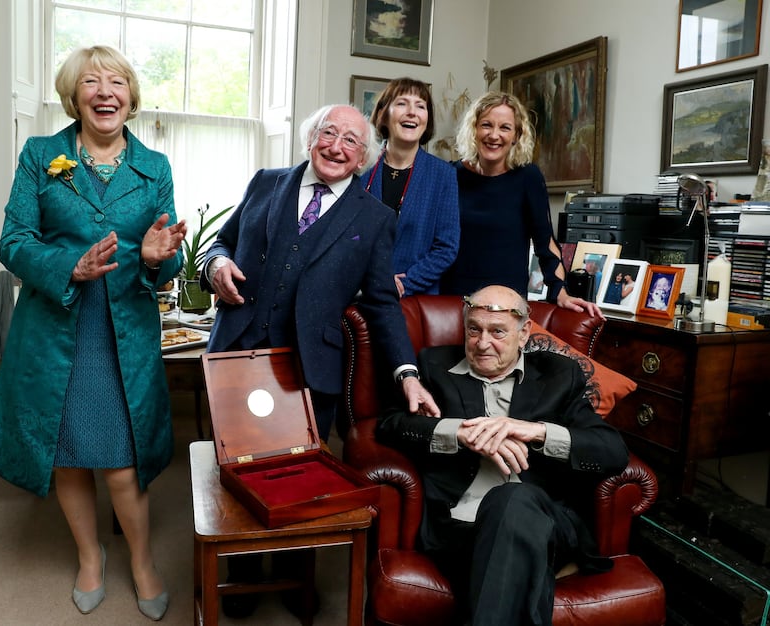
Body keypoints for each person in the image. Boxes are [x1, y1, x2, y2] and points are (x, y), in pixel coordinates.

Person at [201, 103, 439, 618]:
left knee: (300, 480)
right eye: (328, 133)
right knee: (237, 469)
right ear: (310, 139)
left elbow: (382, 302)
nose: (337, 146)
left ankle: (294, 576)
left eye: (351, 141)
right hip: (237, 352)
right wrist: (216, 263)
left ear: (362, 158)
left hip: (310, 368)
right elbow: (219, 243)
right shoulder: (266, 182)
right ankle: (243, 575)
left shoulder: (376, 218)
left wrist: (407, 373)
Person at [0, 45, 186, 620]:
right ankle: (90, 556)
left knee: (122, 460)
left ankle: (141, 561)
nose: (104, 92)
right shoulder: (40, 155)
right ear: (74, 96)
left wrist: (157, 257)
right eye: (90, 82)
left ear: (130, 96)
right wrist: (69, 266)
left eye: (115, 81)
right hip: (55, 328)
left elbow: (168, 256)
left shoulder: (155, 167)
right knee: (68, 454)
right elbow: (13, 242)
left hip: (124, 333)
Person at [377, 285, 629, 625]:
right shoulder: (433, 366)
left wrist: (535, 431)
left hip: (544, 523)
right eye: (474, 330)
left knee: (512, 499)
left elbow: (611, 451)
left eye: (497, 332)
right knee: (509, 550)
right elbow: (389, 426)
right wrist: (460, 434)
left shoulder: (558, 374)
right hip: (459, 527)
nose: (482, 343)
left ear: (523, 334)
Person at [440, 91, 601, 318]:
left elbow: (545, 241)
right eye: (486, 125)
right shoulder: (449, 174)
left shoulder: (528, 178)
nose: (494, 135)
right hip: (451, 300)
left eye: (505, 128)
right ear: (473, 129)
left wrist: (560, 291)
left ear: (516, 135)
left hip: (506, 303)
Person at [360, 77, 460, 296]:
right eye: (402, 103)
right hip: (359, 294)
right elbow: (345, 237)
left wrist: (404, 284)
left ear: (427, 119)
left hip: (416, 299)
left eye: (420, 106)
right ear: (383, 114)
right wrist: (367, 280)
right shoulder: (360, 168)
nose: (412, 112)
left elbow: (446, 248)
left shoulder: (443, 175)